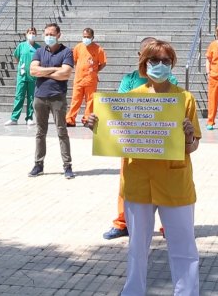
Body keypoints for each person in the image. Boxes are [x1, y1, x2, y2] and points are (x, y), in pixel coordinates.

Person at [87, 39, 201, 295]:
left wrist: (189, 136)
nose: (159, 66)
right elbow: (112, 135)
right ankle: (133, 291)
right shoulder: (129, 100)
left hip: (175, 184)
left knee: (184, 248)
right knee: (137, 248)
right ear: (143, 64)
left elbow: (192, 147)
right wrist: (97, 124)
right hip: (139, 183)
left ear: (172, 65)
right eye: (154, 61)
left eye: (165, 61)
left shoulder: (184, 98)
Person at [103, 37, 179, 241]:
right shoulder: (129, 79)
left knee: (167, 184)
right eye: (151, 58)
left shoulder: (171, 81)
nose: (157, 64)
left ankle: (167, 226)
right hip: (133, 143)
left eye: (161, 59)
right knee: (125, 183)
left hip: (162, 143)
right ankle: (123, 222)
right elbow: (118, 109)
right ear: (141, 58)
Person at [28, 23, 75, 179]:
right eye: (46, 33)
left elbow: (66, 73)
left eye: (52, 34)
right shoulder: (40, 51)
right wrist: (55, 69)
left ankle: (67, 166)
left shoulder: (67, 52)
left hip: (57, 97)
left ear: (58, 35)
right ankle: (38, 164)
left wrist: (44, 72)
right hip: (40, 96)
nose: (49, 36)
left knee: (62, 131)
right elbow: (33, 70)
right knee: (40, 132)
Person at [65, 27, 106, 127]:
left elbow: (103, 63)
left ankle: (87, 119)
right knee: (75, 99)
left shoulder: (98, 49)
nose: (86, 38)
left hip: (91, 80)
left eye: (88, 37)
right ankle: (70, 119)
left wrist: (95, 70)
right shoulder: (78, 47)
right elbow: (74, 60)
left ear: (92, 37)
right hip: (79, 79)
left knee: (90, 100)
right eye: (84, 37)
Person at [5, 27, 40, 126]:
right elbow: (16, 56)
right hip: (22, 75)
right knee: (19, 96)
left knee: (31, 97)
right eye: (29, 32)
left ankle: (29, 118)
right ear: (26, 34)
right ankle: (14, 118)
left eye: (33, 33)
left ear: (36, 35)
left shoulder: (38, 48)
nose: (31, 34)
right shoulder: (21, 46)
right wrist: (21, 66)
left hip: (33, 76)